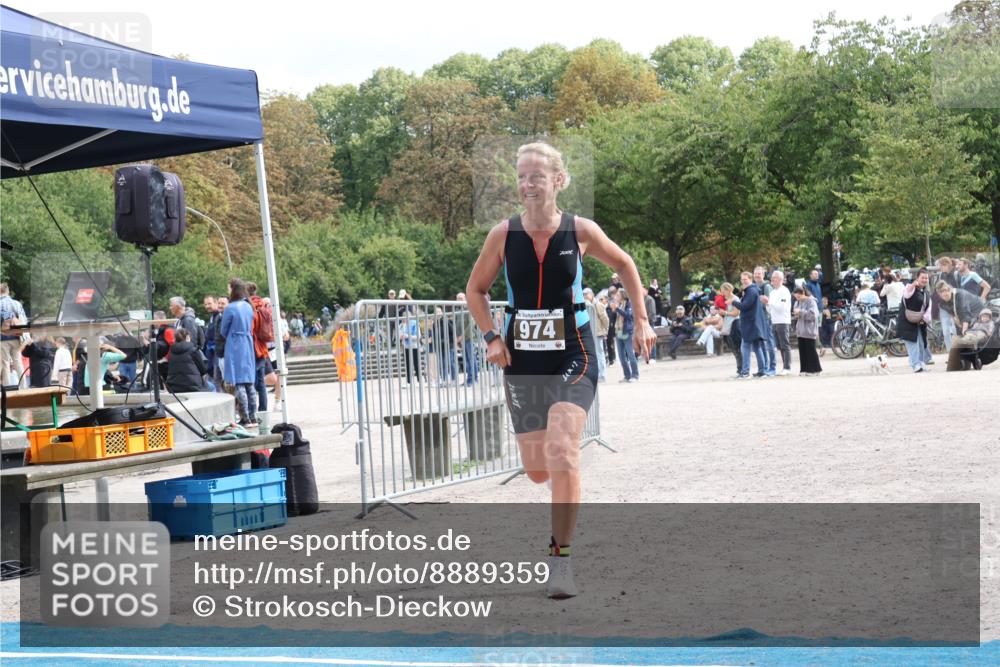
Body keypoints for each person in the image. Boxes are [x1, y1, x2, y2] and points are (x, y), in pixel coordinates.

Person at [464, 141, 655, 599]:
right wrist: (491, 337)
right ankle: (559, 490)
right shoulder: (503, 235)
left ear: (558, 180)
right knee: (537, 470)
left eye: (536, 176)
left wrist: (642, 319)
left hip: (575, 350)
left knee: (563, 449)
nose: (527, 184)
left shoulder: (581, 230)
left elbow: (625, 263)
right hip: (522, 359)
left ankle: (560, 559)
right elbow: (475, 290)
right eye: (521, 177)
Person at [220, 279, 258, 426]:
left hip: (235, 343)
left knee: (238, 382)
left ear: (233, 289)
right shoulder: (248, 306)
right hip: (248, 342)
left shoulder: (230, 308)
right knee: (249, 382)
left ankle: (245, 417)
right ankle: (254, 416)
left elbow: (223, 330)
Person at [935, 281, 988, 371]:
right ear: (939, 294)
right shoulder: (943, 302)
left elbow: (965, 314)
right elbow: (953, 312)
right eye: (942, 293)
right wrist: (957, 323)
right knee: (960, 334)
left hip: (978, 313)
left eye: (946, 291)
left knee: (968, 334)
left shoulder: (960, 296)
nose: (945, 294)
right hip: (965, 315)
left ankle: (975, 356)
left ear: (950, 290)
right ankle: (964, 359)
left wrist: (964, 329)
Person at [733, 271, 768, 379]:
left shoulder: (751, 291)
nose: (743, 281)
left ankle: (745, 372)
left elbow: (745, 306)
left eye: (745, 279)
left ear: (750, 279)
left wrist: (733, 302)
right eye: (742, 279)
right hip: (753, 323)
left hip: (751, 324)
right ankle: (762, 372)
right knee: (757, 347)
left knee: (745, 347)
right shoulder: (751, 290)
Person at [898, 268, 934, 373]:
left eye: (926, 278)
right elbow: (906, 293)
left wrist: (925, 319)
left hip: (920, 322)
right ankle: (916, 365)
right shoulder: (911, 288)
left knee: (922, 343)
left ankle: (921, 364)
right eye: (922, 278)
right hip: (906, 322)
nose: (924, 280)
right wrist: (913, 284)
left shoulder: (926, 293)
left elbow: (928, 309)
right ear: (917, 278)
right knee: (912, 344)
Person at [0, 282, 28, 388]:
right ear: (7, 291)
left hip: (2, 337)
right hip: (16, 336)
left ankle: (7, 387)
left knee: (5, 362)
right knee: (18, 361)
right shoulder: (16, 303)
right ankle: (23, 386)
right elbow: (24, 320)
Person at [766, 271, 793, 375]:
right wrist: (767, 304)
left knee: (785, 344)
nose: (772, 279)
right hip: (774, 321)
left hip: (783, 320)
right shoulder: (772, 292)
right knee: (779, 345)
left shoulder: (784, 291)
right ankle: (784, 366)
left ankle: (787, 367)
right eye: (772, 277)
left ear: (781, 279)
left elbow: (782, 307)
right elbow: (770, 310)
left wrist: (770, 303)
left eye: (775, 277)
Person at [166, 328, 208, 393]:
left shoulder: (171, 351)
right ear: (187, 337)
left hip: (173, 387)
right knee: (212, 387)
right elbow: (203, 370)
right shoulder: (193, 350)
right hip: (193, 386)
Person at [753, 266, 777, 377]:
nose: (757, 275)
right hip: (757, 319)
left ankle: (772, 368)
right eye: (755, 273)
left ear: (763, 275)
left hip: (766, 318)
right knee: (761, 343)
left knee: (770, 343)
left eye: (759, 273)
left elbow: (770, 303)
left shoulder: (767, 286)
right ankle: (764, 368)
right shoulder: (753, 286)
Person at [793, 286, 822, 375]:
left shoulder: (811, 301)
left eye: (799, 296)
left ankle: (815, 370)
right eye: (796, 297)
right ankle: (804, 369)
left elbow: (813, 315)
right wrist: (796, 314)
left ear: (803, 293)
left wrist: (800, 312)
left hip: (809, 329)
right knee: (802, 351)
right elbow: (796, 313)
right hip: (800, 330)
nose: (797, 298)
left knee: (811, 351)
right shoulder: (797, 302)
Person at [933, 257, 960, 351]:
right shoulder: (941, 275)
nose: (940, 268)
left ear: (947, 264)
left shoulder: (956, 274)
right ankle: (950, 352)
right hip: (943, 306)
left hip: (954, 306)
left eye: (941, 266)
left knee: (955, 330)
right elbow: (937, 289)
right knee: (946, 332)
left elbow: (960, 290)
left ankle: (958, 351)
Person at [613, 291, 640, 382]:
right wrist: (613, 310)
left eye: (618, 294)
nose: (616, 296)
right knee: (621, 356)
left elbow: (629, 316)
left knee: (630, 354)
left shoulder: (629, 304)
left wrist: (617, 309)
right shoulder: (618, 304)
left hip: (627, 332)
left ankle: (635, 375)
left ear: (623, 295)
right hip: (618, 331)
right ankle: (627, 375)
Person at [455, 292, 481, 386]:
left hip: (469, 338)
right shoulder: (458, 311)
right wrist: (457, 337)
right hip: (462, 339)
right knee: (466, 360)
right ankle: (469, 379)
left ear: (465, 298)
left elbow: (471, 324)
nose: (459, 300)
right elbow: (456, 325)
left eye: (461, 298)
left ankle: (474, 379)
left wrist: (462, 336)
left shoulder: (469, 308)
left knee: (471, 358)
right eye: (458, 298)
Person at [583, 288, 609, 381]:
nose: (585, 296)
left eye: (586, 294)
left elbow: (605, 319)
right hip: (590, 333)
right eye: (584, 294)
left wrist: (605, 331)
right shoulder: (586, 305)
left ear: (592, 294)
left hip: (598, 333)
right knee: (593, 354)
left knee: (599, 354)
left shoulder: (598, 305)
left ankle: (602, 375)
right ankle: (596, 374)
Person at [720, 282, 743, 376]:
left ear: (728, 290)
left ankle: (741, 369)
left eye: (723, 291)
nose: (722, 293)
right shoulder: (725, 300)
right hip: (727, 325)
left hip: (734, 324)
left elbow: (736, 313)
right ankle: (739, 368)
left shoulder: (735, 299)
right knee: (733, 348)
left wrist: (725, 313)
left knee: (737, 348)